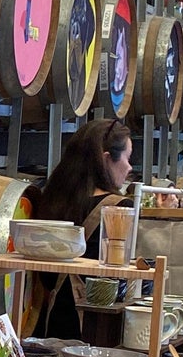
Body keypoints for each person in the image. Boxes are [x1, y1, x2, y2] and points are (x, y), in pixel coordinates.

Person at [22, 118, 133, 336]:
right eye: (128, 157)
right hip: (92, 329)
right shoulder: (119, 209)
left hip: (47, 324)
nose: (129, 167)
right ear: (107, 159)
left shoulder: (49, 199)